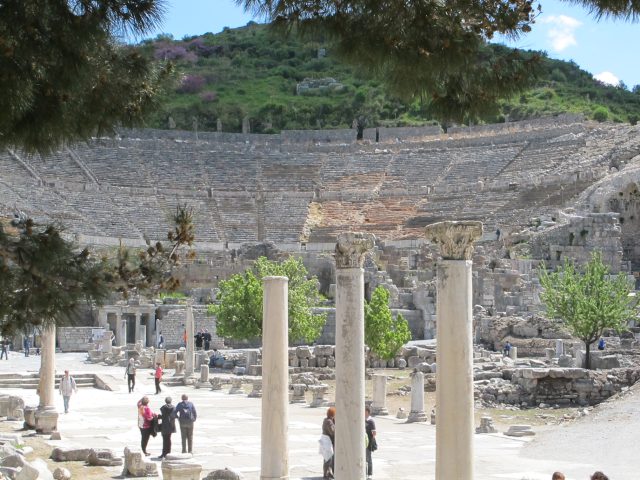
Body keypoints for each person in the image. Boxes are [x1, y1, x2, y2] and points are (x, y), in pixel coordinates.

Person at [321, 406, 336, 479]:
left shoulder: (326, 420)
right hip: (328, 442)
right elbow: (333, 432)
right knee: (328, 458)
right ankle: (326, 474)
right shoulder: (329, 421)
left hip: (326, 441)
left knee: (328, 458)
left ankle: (329, 472)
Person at [365, 405, 377, 479]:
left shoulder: (371, 421)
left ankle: (370, 474)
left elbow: (374, 433)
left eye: (365, 411)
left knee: (368, 458)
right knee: (363, 458)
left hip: (368, 442)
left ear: (368, 412)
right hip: (362, 442)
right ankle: (364, 473)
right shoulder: (362, 419)